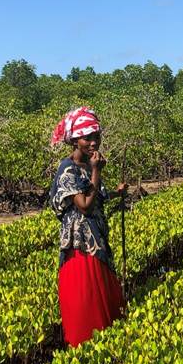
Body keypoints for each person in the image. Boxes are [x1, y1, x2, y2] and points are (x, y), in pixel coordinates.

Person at [49, 106, 128, 347]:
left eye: (96, 136)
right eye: (87, 138)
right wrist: (96, 171)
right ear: (74, 140)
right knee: (87, 299)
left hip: (97, 240)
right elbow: (84, 205)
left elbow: (98, 198)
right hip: (80, 247)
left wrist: (117, 194)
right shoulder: (68, 169)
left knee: (103, 295)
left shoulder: (86, 166)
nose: (94, 142)